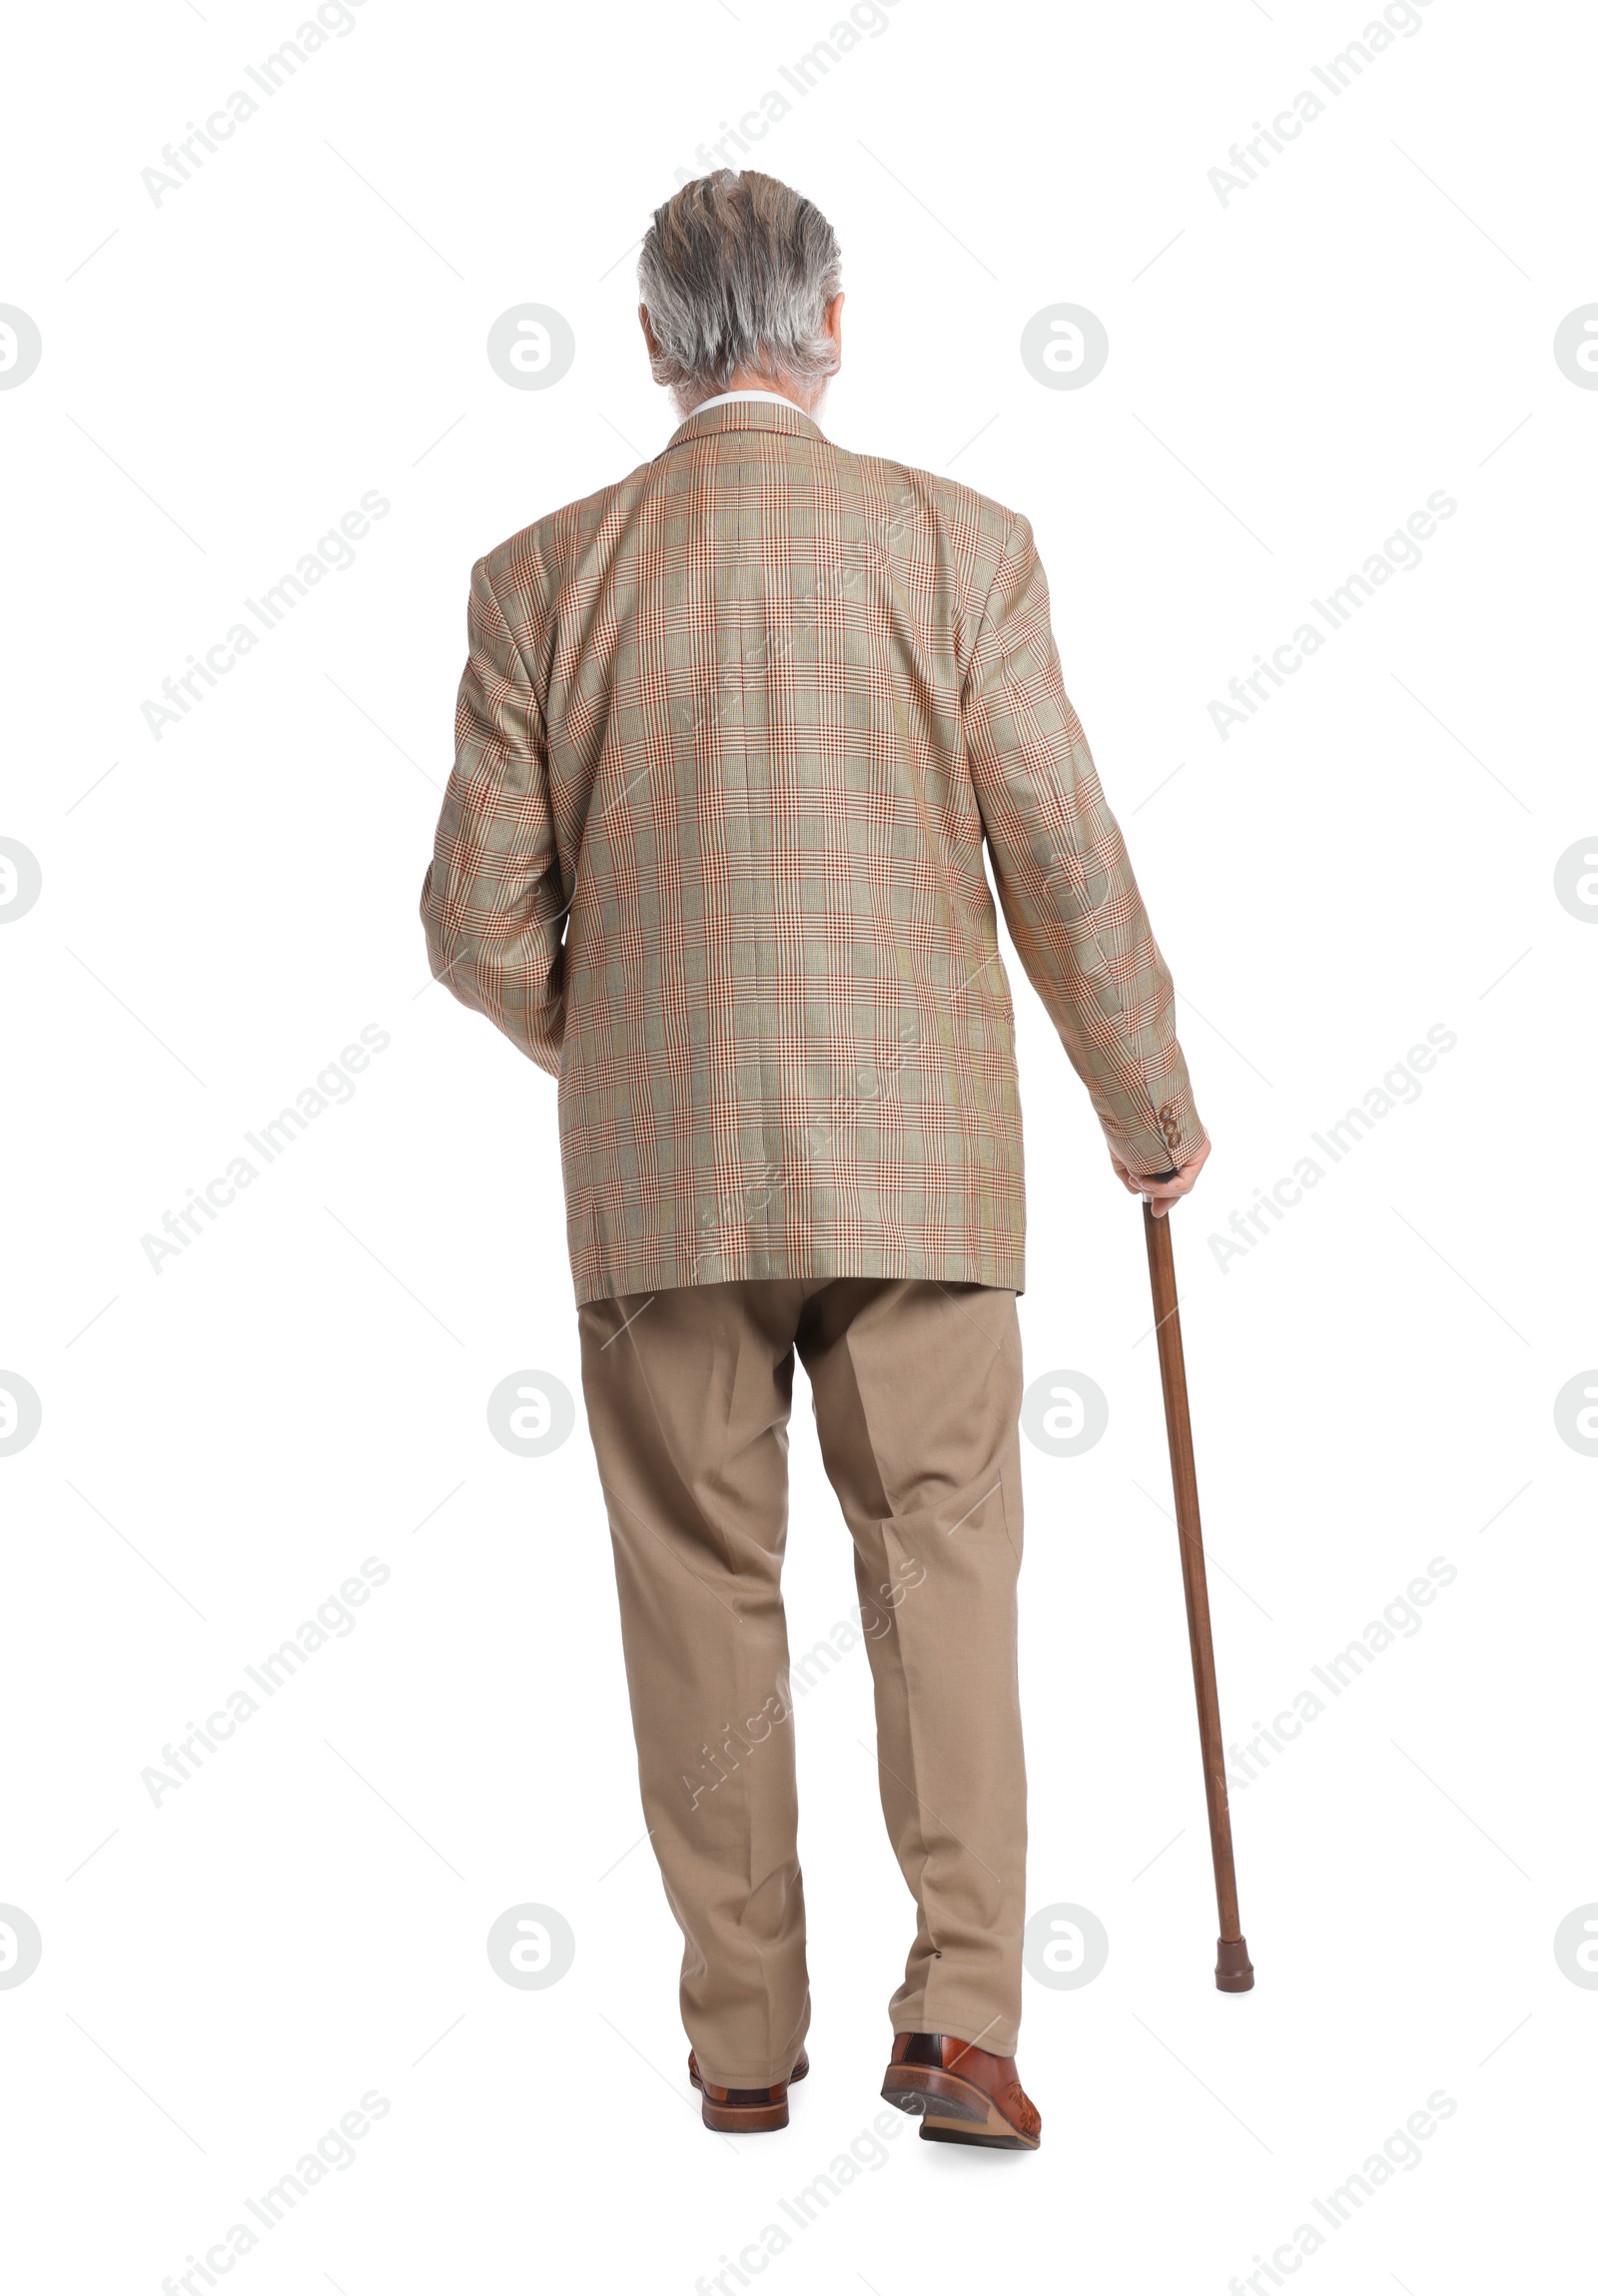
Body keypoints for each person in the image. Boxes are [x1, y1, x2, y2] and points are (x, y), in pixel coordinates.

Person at [420, 168, 1208, 2149]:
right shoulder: (960, 548)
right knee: (942, 1574)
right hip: (922, 1171)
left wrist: (609, 1042)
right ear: (832, 323)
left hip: (661, 1182)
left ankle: (739, 2047)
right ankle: (957, 2023)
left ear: (650, 347)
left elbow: (473, 925)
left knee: (700, 1594)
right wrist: (1147, 1107)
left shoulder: (539, 579)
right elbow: (1055, 849)